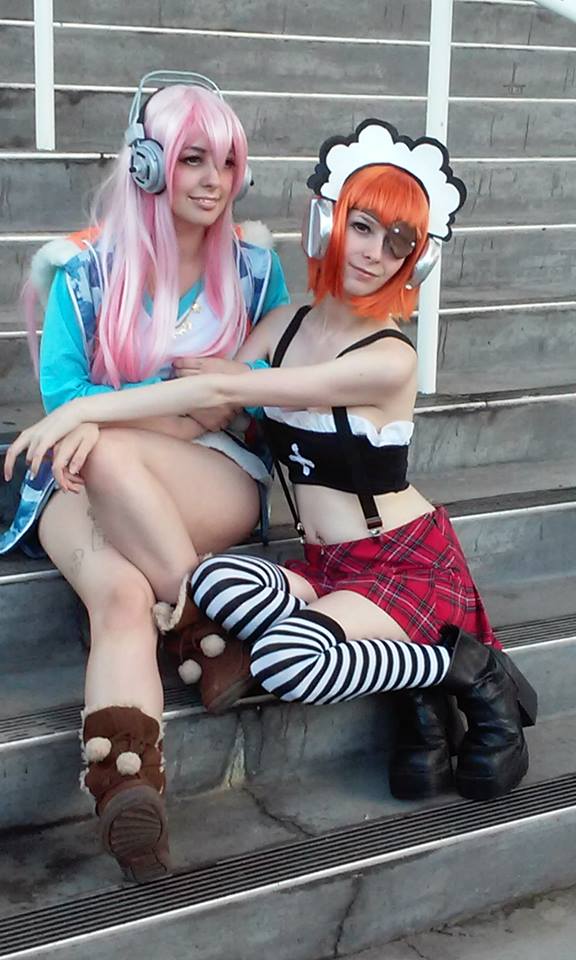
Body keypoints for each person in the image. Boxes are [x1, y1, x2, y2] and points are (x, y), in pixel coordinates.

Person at [5, 120, 537, 822]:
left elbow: (221, 388)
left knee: (285, 660)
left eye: (398, 243)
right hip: (327, 564)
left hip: (403, 561)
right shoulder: (282, 326)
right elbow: (196, 415)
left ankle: (466, 666)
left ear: (417, 261)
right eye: (363, 227)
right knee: (213, 582)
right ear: (328, 223)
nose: (374, 253)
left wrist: (79, 412)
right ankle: (413, 679)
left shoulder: (390, 358)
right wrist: (100, 437)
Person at [0, 71, 290, 883]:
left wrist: (179, 420)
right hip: (82, 475)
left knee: (101, 445)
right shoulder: (85, 270)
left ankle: (198, 622)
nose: (213, 180)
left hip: (211, 471)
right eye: (193, 159)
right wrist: (185, 409)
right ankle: (131, 785)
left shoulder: (256, 269)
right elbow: (64, 397)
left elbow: (264, 394)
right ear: (149, 165)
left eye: (226, 162)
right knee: (120, 594)